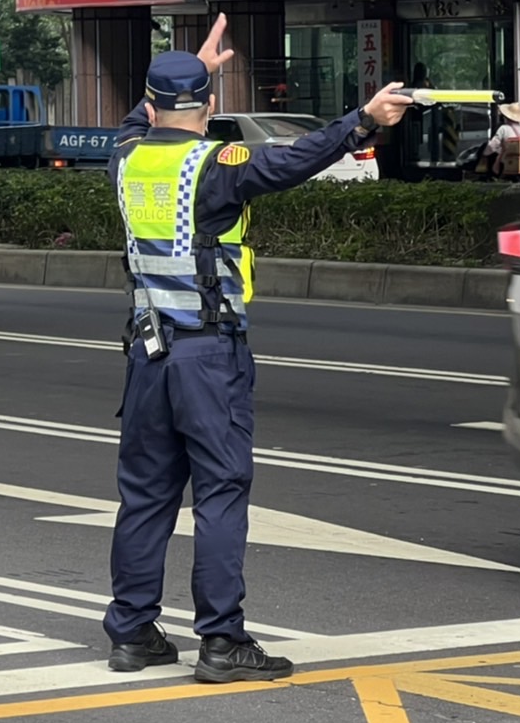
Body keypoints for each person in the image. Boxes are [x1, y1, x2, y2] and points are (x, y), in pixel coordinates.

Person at [104, 39, 412, 683]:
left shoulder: (126, 158)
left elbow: (142, 119)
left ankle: (133, 633)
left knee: (144, 496)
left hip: (147, 356)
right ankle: (222, 641)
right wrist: (363, 120)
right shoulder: (218, 164)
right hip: (208, 357)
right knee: (219, 492)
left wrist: (189, 68)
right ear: (211, 107)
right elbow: (295, 159)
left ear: (154, 106)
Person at [482, 101, 520, 175]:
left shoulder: (503, 128)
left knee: (491, 155)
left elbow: (493, 145)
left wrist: (484, 153)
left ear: (505, 117)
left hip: (506, 158)